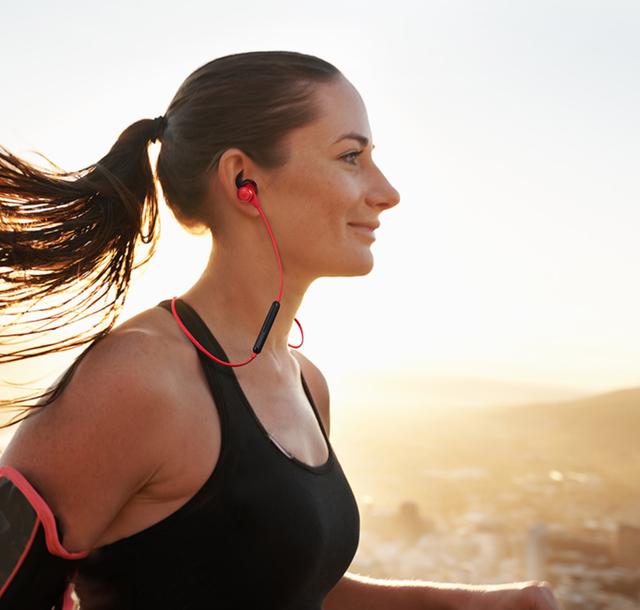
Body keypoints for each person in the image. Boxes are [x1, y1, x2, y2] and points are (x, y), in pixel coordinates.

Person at [0, 51, 561, 610]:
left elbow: (276, 585)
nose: (387, 191)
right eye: (351, 157)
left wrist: (470, 605)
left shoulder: (307, 383)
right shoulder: (139, 378)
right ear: (244, 179)